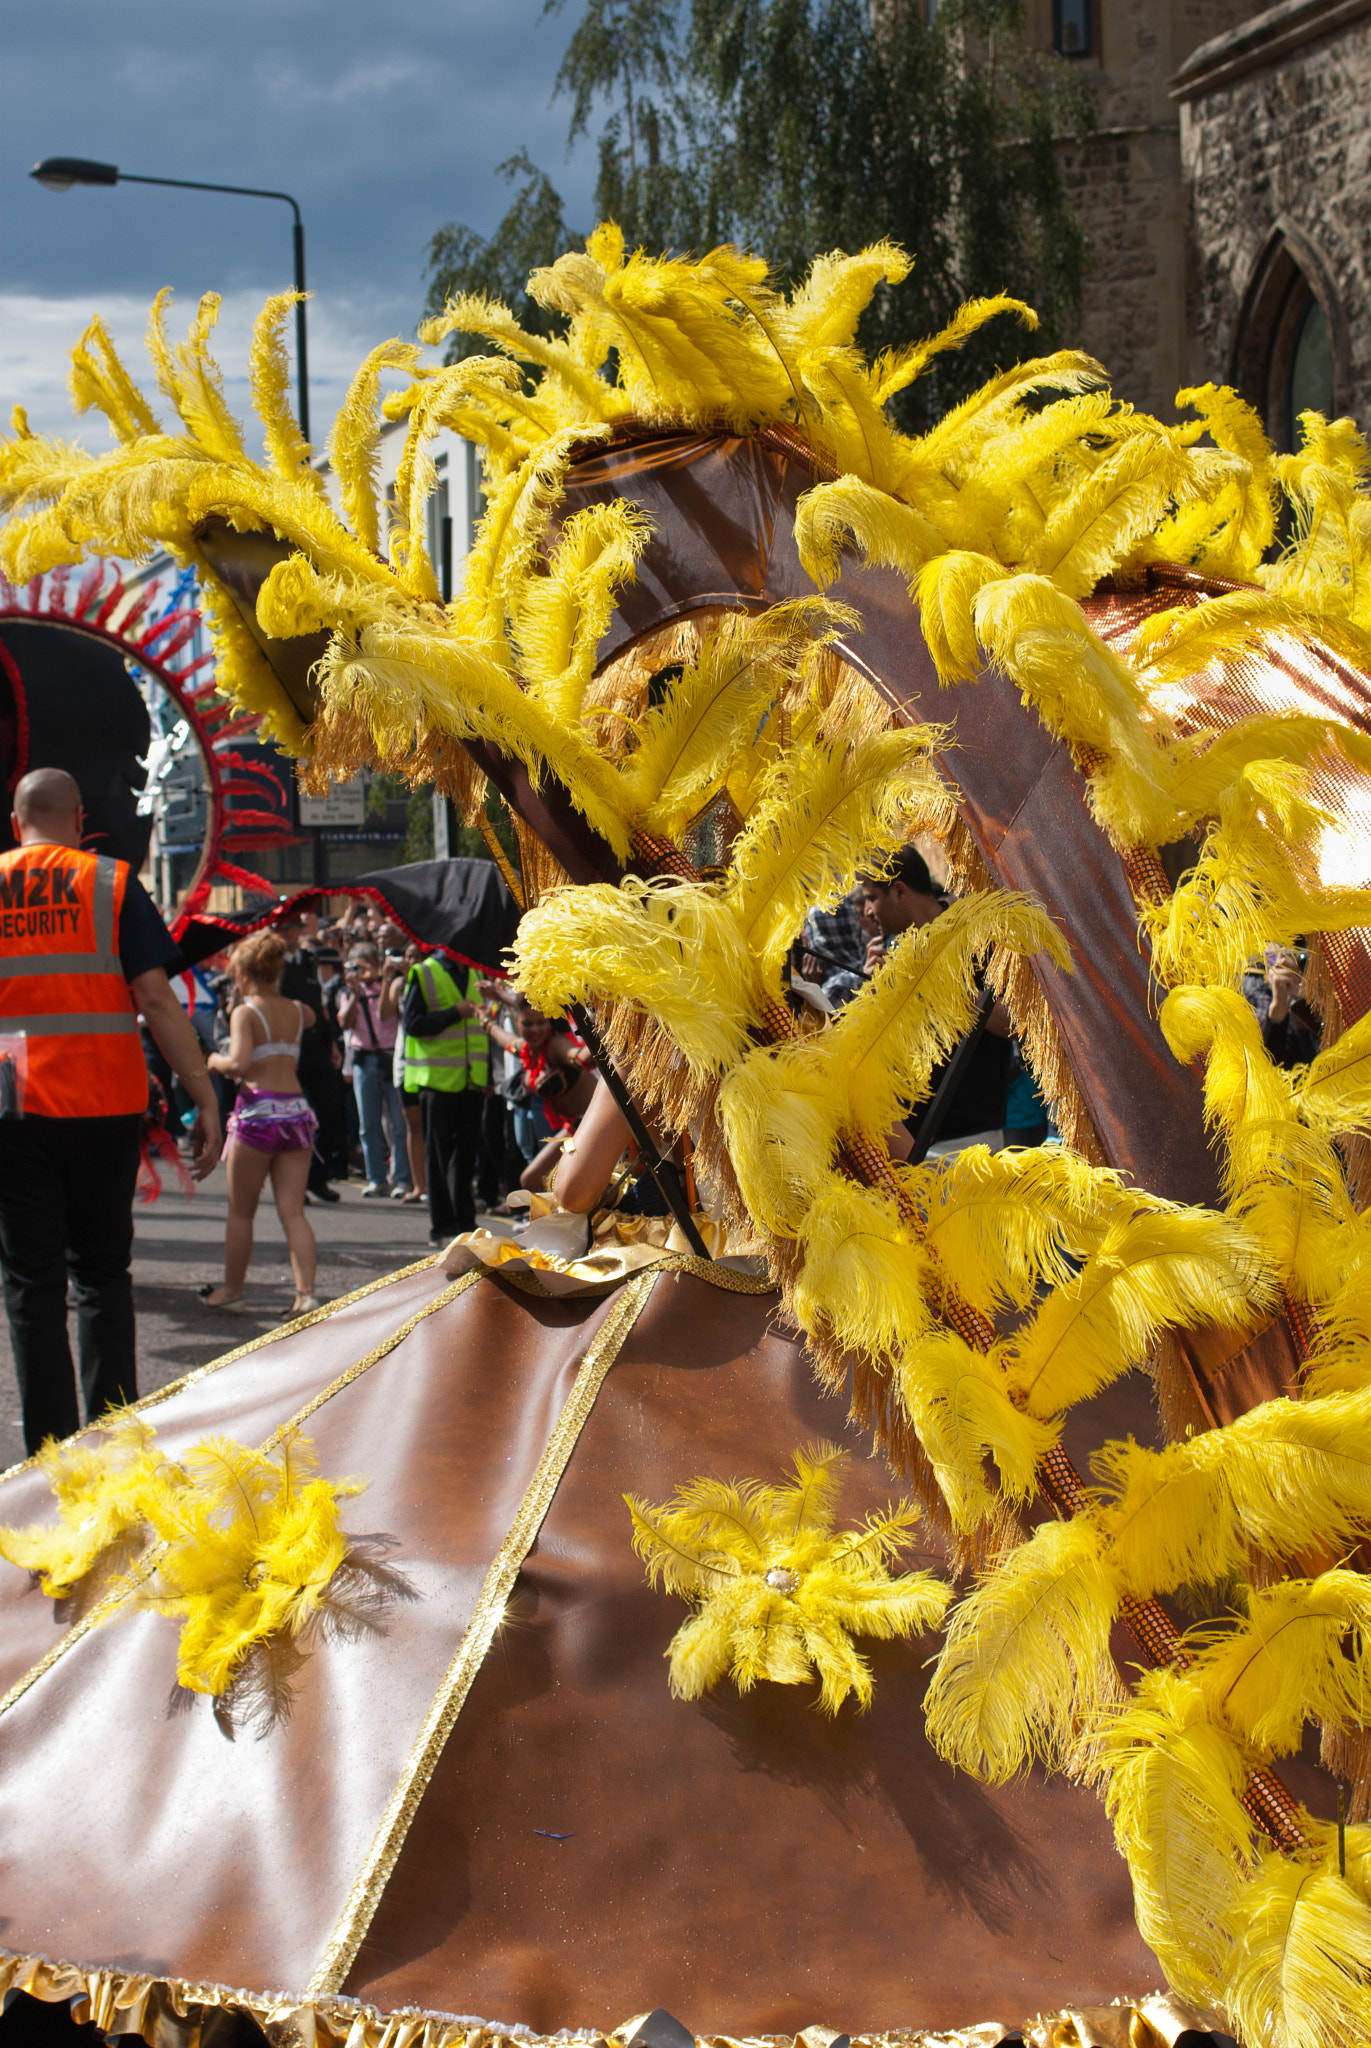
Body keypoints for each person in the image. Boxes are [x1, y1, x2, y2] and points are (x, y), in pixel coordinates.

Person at [0, 767, 222, 1451]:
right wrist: (203, 1095)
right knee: (102, 1276)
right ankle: (114, 1447)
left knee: (31, 1285)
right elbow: (156, 1001)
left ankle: (49, 1454)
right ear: (78, 819)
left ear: (16, 824)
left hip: (12, 1109)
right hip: (103, 1103)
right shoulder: (111, 883)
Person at [857, 846, 1012, 1158]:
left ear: (899, 892)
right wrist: (872, 991)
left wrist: (936, 983)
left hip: (969, 1141)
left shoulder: (975, 936)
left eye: (871, 897)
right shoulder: (892, 948)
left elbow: (1013, 1024)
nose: (868, 911)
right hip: (908, 1142)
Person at [202, 929, 320, 1316]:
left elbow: (237, 1063)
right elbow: (314, 1016)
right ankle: (306, 1293)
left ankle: (232, 1289)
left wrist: (212, 1061)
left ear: (243, 974)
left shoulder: (244, 1013)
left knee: (241, 1211)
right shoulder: (298, 1010)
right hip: (297, 1113)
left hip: (258, 1115)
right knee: (293, 1210)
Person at [398, 947, 489, 1244]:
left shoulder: (475, 970)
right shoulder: (424, 972)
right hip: (436, 1081)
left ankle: (466, 1223)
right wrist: (453, 1014)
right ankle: (442, 1226)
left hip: (471, 1079)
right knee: (438, 1156)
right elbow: (412, 1025)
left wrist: (486, 1075)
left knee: (465, 1156)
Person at [338, 943, 412, 1198]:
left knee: (397, 1123)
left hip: (389, 1057)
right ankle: (376, 1178)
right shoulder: (349, 992)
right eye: (354, 967)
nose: (359, 972)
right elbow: (345, 1024)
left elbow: (385, 1016)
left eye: (362, 966)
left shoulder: (388, 986)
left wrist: (380, 979)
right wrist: (355, 993)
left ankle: (402, 1178)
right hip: (363, 1060)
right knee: (367, 1124)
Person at [380, 943, 426, 1203]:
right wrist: (387, 979)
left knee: (429, 1124)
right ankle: (418, 1185)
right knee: (413, 1124)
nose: (411, 961)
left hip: (431, 1061)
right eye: (408, 957)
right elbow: (384, 1015)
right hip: (404, 1061)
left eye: (417, 957)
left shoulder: (431, 981)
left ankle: (430, 1183)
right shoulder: (400, 985)